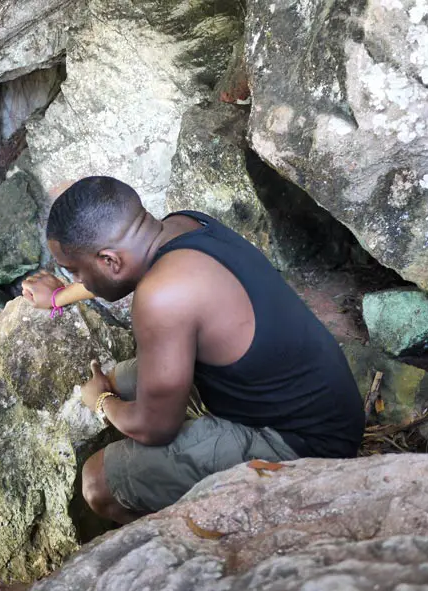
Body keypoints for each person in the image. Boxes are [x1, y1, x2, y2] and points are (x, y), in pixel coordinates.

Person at [22, 176, 364, 524]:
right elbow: (118, 274)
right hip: (329, 408)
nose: (77, 281)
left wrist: (100, 402)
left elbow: (155, 428)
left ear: (110, 260)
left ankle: (201, 553)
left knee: (98, 483)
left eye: (76, 272)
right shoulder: (183, 225)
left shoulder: (161, 296)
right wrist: (59, 297)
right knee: (120, 379)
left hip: (307, 447)